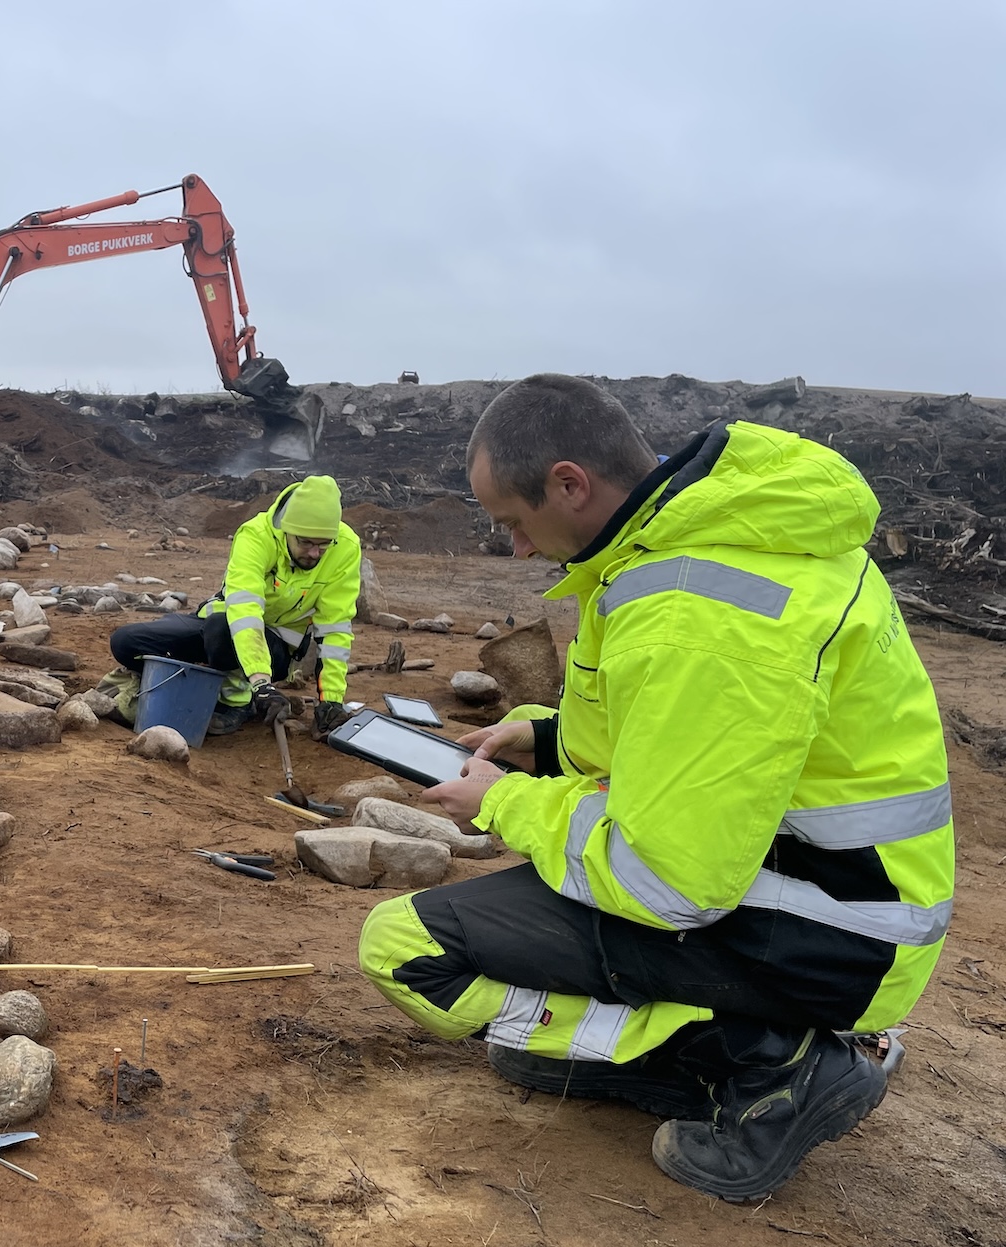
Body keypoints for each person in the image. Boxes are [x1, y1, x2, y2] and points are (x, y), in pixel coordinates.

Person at [357, 374, 954, 1202]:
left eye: (514, 524)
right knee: (524, 1011)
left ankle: (775, 1067)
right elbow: (661, 736)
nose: (519, 550)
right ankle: (707, 1041)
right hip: (835, 892)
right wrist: (545, 737)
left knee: (404, 949)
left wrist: (499, 802)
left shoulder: (698, 616)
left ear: (570, 483)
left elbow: (664, 880)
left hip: (823, 932)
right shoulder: (699, 540)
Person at [102, 473, 360, 734]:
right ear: (286, 530)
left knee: (221, 631)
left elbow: (335, 630)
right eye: (305, 542)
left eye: (324, 544)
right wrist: (261, 683)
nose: (315, 553)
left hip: (276, 650)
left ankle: (236, 702)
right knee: (127, 642)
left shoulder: (346, 548)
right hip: (223, 626)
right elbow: (245, 613)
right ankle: (213, 679)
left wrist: (331, 701)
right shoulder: (256, 536)